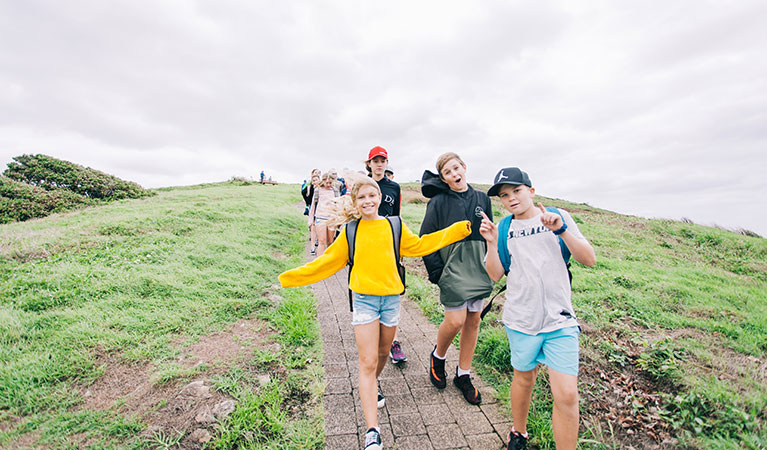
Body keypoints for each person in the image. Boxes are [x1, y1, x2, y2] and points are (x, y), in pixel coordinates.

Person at [279, 176, 472, 450]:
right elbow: (326, 264)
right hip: (364, 300)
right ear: (355, 202)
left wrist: (457, 230)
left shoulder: (395, 226)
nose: (368, 201)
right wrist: (290, 278)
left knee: (382, 355)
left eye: (372, 195)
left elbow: (420, 245)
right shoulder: (351, 231)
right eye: (362, 198)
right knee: (367, 361)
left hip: (391, 299)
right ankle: (373, 431)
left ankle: (373, 383)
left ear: (379, 197)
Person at [479, 167, 596, 450]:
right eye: (504, 196)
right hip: (521, 319)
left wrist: (562, 230)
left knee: (567, 395)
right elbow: (495, 275)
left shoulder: (558, 217)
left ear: (531, 191)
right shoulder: (504, 228)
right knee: (524, 378)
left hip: (560, 321)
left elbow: (589, 259)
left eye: (516, 191)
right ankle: (518, 432)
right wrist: (492, 244)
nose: (511, 199)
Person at [420, 152, 493, 405]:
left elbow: (489, 234)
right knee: (455, 320)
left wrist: (493, 262)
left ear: (464, 167)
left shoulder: (482, 198)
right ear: (444, 179)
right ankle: (438, 356)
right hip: (451, 268)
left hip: (478, 268)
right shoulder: (438, 202)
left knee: (473, 321)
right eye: (447, 173)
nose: (454, 175)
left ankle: (463, 375)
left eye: (456, 168)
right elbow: (426, 238)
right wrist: (437, 272)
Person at [364, 146, 406, 364]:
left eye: (383, 160)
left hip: (389, 245)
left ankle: (393, 342)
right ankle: (371, 338)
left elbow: (397, 217)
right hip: (367, 246)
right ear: (369, 163)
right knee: (370, 292)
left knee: (391, 292)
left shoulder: (394, 188)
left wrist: (399, 249)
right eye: (375, 160)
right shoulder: (363, 185)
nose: (379, 164)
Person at [308, 173, 340, 255]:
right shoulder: (318, 190)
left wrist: (339, 219)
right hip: (320, 217)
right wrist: (311, 220)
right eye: (327, 183)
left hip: (332, 218)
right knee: (321, 241)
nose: (329, 185)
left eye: (330, 183)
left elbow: (338, 205)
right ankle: (319, 263)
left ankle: (328, 262)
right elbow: (313, 205)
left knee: (330, 242)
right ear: (323, 181)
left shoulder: (335, 191)